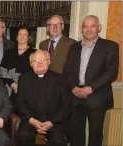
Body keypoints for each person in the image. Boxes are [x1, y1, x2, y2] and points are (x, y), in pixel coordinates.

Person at [64, 15, 119, 146]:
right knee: (76, 134)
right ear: (81, 30)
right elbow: (67, 70)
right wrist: (72, 87)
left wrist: (90, 88)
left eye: (92, 26)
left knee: (95, 135)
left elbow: (111, 72)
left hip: (97, 96)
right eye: (85, 26)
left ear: (99, 28)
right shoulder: (74, 47)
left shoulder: (110, 46)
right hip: (76, 95)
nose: (88, 30)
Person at [17, 50, 71, 146]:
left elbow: (66, 105)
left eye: (43, 59)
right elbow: (20, 102)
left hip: (54, 122)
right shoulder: (24, 78)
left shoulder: (60, 79)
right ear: (31, 64)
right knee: (24, 136)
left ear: (49, 61)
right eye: (36, 60)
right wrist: (31, 120)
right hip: (31, 121)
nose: (40, 62)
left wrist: (51, 122)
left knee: (58, 141)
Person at [0, 27, 36, 109]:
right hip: (10, 88)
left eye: (25, 34)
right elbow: (2, 70)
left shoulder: (34, 53)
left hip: (28, 89)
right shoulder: (9, 52)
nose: (22, 36)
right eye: (20, 34)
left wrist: (21, 85)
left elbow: (36, 71)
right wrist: (13, 84)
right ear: (16, 36)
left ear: (29, 37)